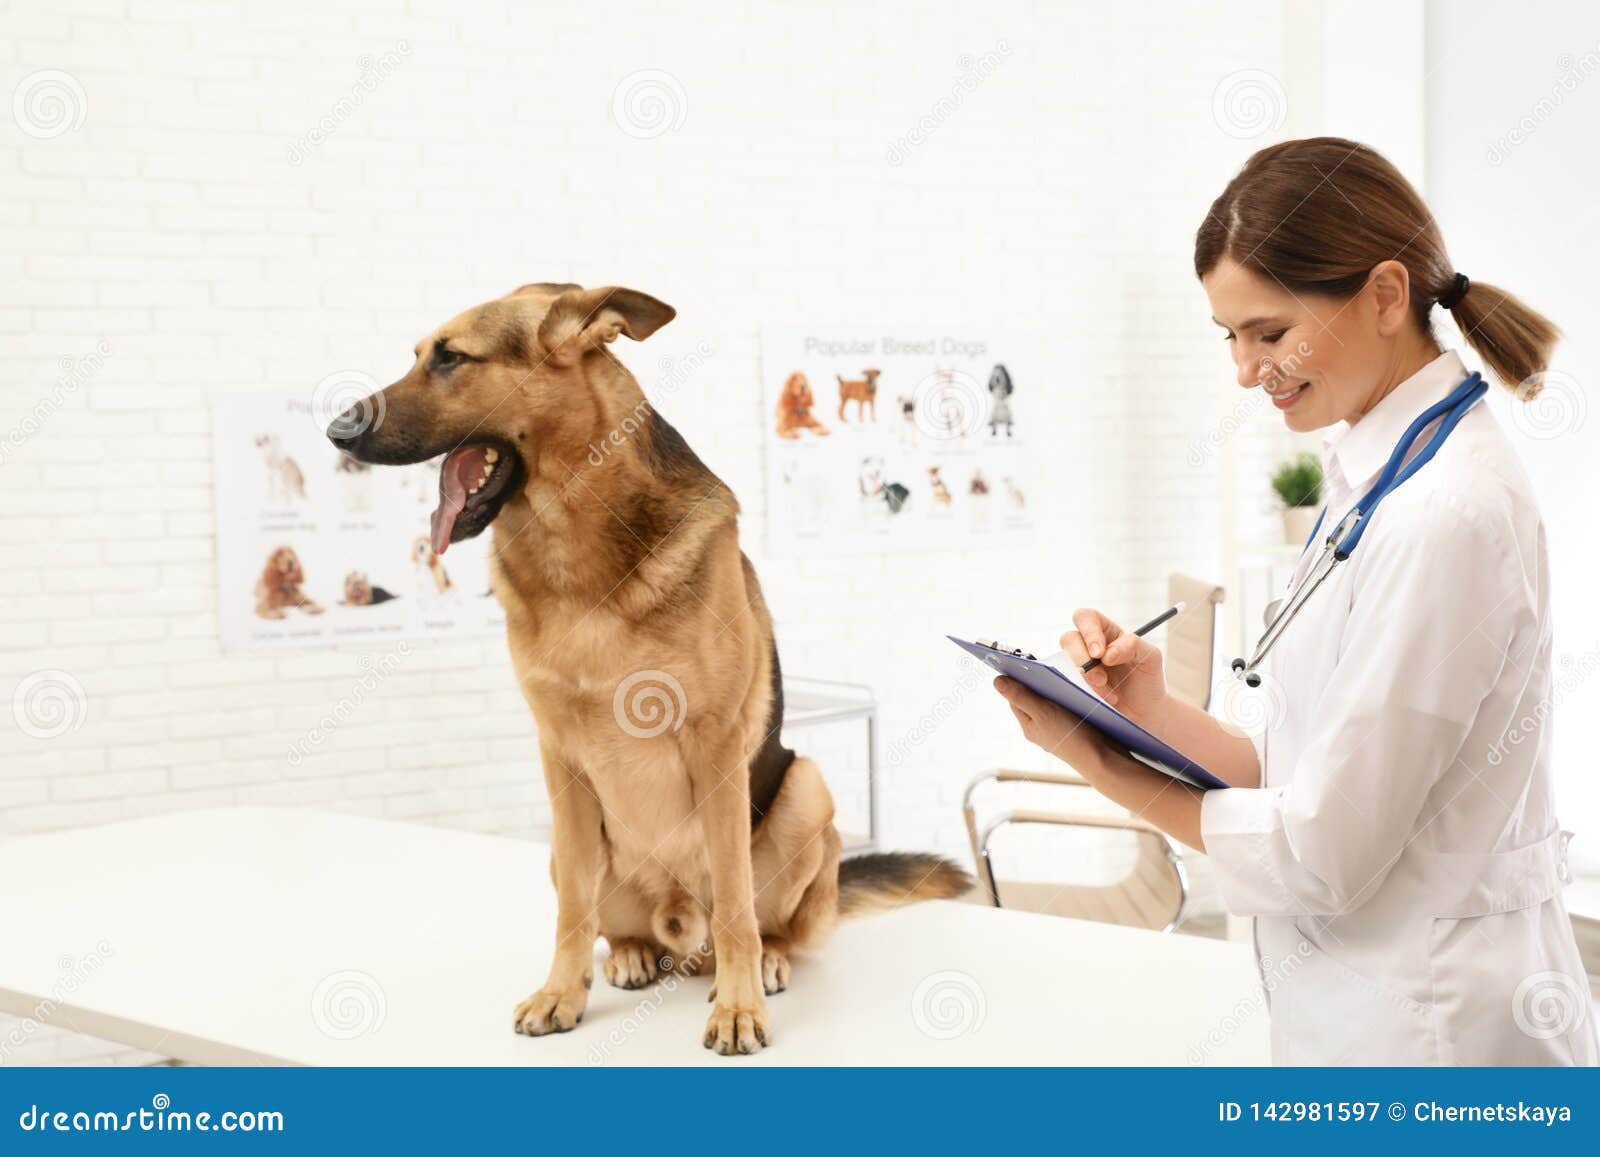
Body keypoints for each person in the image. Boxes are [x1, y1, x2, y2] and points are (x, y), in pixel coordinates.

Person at [996, 137, 1597, 1066]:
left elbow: (1322, 850)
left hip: (1434, 1031)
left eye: (1269, 333)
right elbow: (1296, 775)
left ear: (1387, 296)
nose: (1245, 370)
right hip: (1363, 1010)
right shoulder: (1375, 476)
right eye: (1230, 337)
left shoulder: (1448, 512)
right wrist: (1145, 708)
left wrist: (1097, 760)